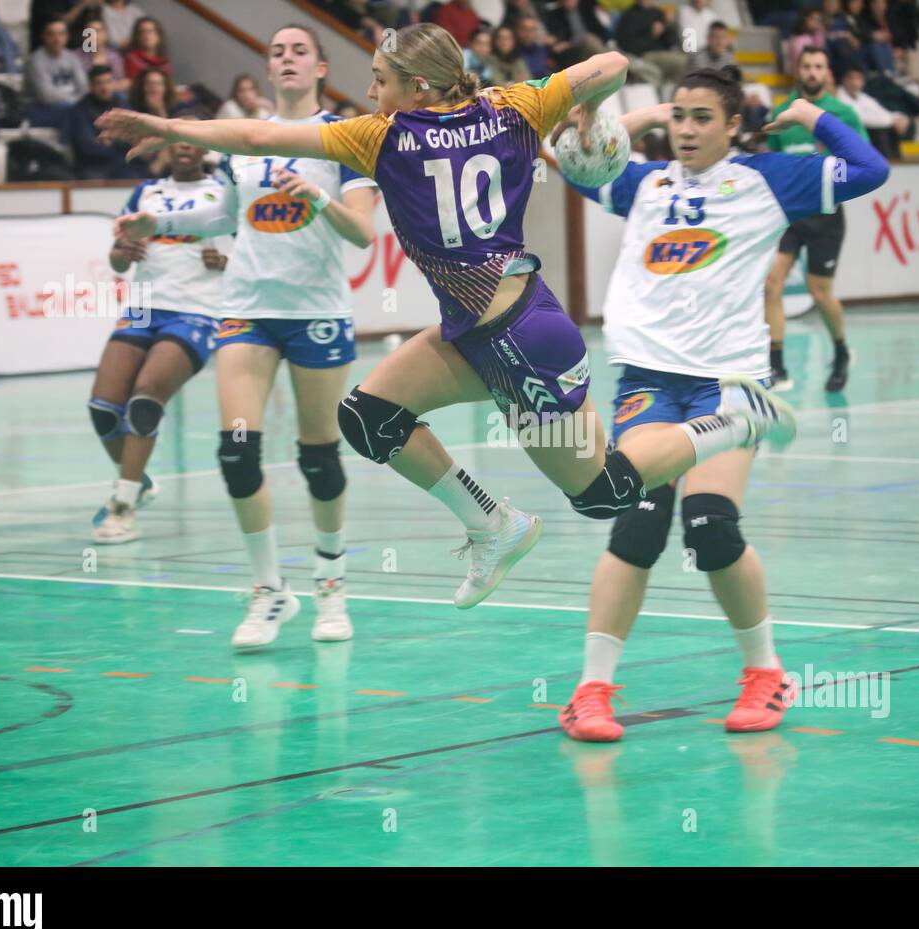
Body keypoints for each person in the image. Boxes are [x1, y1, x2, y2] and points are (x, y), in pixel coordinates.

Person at [98, 22, 797, 617]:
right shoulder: (517, 104)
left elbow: (255, 134)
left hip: (521, 343)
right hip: (490, 328)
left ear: (418, 86)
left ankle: (734, 419)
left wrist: (164, 126)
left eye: (379, 79)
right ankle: (493, 522)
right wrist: (591, 111)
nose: (370, 92)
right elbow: (612, 64)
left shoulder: (379, 138)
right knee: (369, 417)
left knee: (605, 492)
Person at [555, 66, 888, 740]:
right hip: (650, 380)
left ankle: (765, 674)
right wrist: (638, 119)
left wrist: (809, 115)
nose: (686, 128)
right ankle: (590, 692)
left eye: (702, 117)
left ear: (734, 125)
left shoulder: (770, 177)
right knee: (637, 524)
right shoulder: (642, 182)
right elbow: (570, 160)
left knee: (710, 526)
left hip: (726, 379)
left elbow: (871, 168)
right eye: (679, 115)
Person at [112, 24, 378, 649]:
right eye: (276, 51)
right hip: (247, 313)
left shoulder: (346, 141)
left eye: (298, 51)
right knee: (236, 452)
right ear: (268, 69)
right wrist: (159, 219)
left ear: (320, 67)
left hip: (316, 313)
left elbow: (363, 234)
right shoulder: (245, 146)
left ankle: (331, 584)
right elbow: (222, 213)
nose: (285, 58)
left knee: (318, 457)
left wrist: (318, 200)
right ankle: (269, 591)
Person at [90, 141, 230, 544]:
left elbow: (258, 253)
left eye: (193, 141)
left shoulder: (224, 191)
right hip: (143, 308)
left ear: (205, 148)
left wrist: (227, 262)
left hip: (198, 311)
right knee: (102, 408)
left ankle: (124, 505)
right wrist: (121, 251)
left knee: (145, 399)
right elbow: (118, 260)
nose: (184, 148)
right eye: (177, 141)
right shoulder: (145, 192)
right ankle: (140, 482)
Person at [763, 46, 867, 393]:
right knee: (771, 282)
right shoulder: (781, 113)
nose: (812, 71)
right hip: (790, 214)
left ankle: (840, 351)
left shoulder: (842, 115)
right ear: (798, 71)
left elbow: (861, 161)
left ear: (827, 73)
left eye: (818, 66)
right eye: (806, 66)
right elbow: (774, 163)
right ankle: (776, 365)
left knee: (820, 292)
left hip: (826, 215)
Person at [70, 64, 143, 178]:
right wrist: (120, 142)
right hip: (94, 167)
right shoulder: (80, 110)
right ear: (91, 86)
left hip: (125, 163)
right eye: (99, 83)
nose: (104, 87)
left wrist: (110, 141)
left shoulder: (123, 104)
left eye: (108, 82)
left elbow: (135, 138)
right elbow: (87, 147)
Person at [24, 18, 88, 139]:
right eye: (51, 34)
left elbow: (84, 88)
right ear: (43, 36)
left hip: (73, 106)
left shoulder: (72, 57)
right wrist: (77, 103)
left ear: (67, 36)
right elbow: (46, 96)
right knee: (74, 112)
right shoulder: (35, 61)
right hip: (41, 110)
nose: (57, 39)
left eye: (61, 34)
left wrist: (79, 103)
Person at [839, 63, 908, 158]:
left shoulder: (863, 97)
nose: (854, 82)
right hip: (849, 141)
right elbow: (859, 118)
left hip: (865, 139)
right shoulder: (838, 95)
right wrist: (892, 121)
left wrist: (898, 117)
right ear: (844, 80)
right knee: (880, 132)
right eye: (851, 78)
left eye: (858, 78)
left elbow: (882, 112)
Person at [615, 0, 688, 88]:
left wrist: (670, 25)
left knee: (686, 62)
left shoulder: (658, 13)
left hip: (664, 53)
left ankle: (670, 90)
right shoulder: (629, 16)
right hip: (643, 55)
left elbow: (671, 42)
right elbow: (628, 46)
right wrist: (652, 34)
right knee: (681, 61)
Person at [544, 0, 609, 71]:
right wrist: (559, 41)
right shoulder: (556, 15)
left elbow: (598, 27)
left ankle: (607, 63)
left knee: (590, 40)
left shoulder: (587, 6)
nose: (569, 2)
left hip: (590, 39)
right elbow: (560, 34)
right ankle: (606, 63)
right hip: (571, 45)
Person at [123, 15, 170, 80]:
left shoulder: (164, 63)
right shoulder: (132, 58)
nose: (146, 35)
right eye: (142, 32)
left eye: (150, 31)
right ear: (137, 36)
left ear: (159, 35)